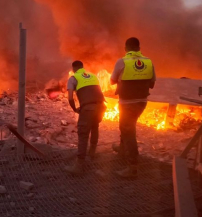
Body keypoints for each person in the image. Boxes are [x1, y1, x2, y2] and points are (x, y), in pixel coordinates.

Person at [110, 37, 156, 178]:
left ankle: (132, 167)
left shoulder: (122, 61)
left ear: (126, 48)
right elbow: (152, 83)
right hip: (142, 102)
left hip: (127, 103)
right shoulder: (148, 62)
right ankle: (123, 149)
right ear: (139, 48)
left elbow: (112, 81)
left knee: (129, 132)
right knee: (125, 127)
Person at [64, 60, 106, 175]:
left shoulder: (73, 78)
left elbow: (70, 98)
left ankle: (79, 165)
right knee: (94, 126)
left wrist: (75, 109)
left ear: (73, 69)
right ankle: (92, 152)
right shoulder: (93, 76)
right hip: (101, 106)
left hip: (88, 108)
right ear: (83, 67)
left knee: (83, 133)